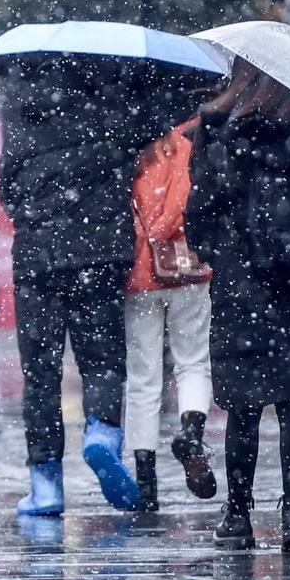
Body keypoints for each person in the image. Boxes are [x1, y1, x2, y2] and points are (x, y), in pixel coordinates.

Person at [186, 59, 290, 554]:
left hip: (244, 288)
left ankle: (238, 513)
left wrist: (231, 254)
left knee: (244, 406)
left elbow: (200, 218)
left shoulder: (217, 132)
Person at [0, 58, 167, 516]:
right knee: (104, 360)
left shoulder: (20, 108)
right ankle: (101, 434)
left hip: (39, 257)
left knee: (41, 373)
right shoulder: (112, 105)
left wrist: (40, 216)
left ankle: (46, 484)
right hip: (101, 251)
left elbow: (8, 188)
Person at [123, 117, 217, 512]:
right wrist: (166, 229)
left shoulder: (127, 152)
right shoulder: (189, 147)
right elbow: (191, 202)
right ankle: (192, 433)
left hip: (139, 276)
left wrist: (147, 238)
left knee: (143, 378)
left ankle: (146, 484)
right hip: (187, 271)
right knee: (193, 363)